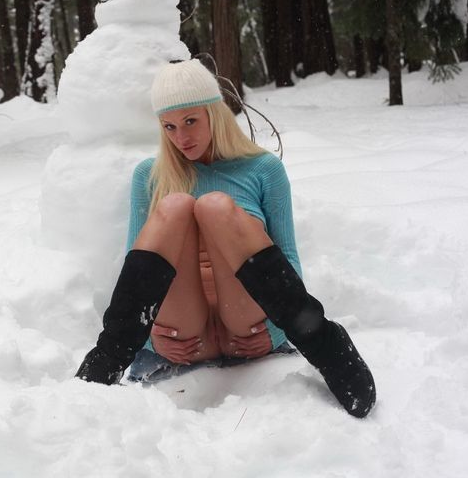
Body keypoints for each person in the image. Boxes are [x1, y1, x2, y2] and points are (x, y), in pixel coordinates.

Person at [76, 59, 376, 418]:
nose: (181, 137)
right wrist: (155, 340)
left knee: (216, 207)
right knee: (175, 206)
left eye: (190, 121)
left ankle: (324, 343)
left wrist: (276, 334)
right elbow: (136, 266)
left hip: (247, 322)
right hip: (185, 334)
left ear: (214, 113)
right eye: (169, 127)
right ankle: (109, 357)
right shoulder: (149, 176)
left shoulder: (263, 170)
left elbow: (288, 257)